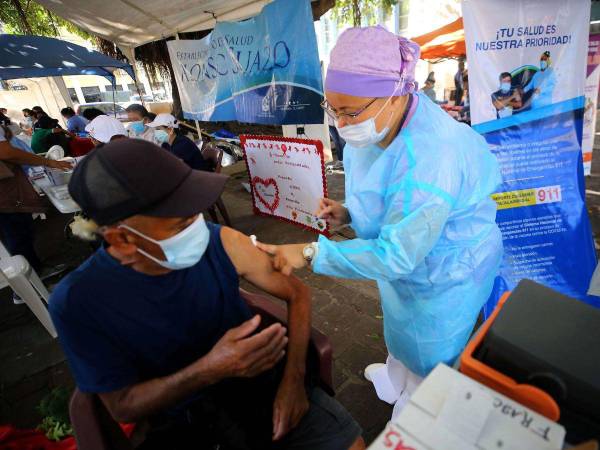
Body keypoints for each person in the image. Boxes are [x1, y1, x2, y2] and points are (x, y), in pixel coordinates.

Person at [50, 139, 365, 450]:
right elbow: (123, 406)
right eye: (181, 222)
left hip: (268, 387)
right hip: (189, 422)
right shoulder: (79, 302)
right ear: (122, 238)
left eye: (196, 212)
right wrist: (211, 368)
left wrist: (294, 380)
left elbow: (297, 294)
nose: (199, 227)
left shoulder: (222, 242)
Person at [255, 26, 503, 418]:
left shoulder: (433, 156)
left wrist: (309, 253)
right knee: (401, 331)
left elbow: (397, 254)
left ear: (396, 93)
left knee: (432, 348)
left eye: (351, 112)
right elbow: (388, 191)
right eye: (332, 109)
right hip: (406, 262)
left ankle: (422, 410)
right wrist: (351, 211)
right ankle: (395, 377)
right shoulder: (384, 124)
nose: (341, 122)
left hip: (446, 270)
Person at [0, 124, 71, 304]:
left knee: (20, 234)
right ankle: (28, 290)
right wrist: (48, 162)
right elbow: (6, 152)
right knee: (18, 235)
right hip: (5, 193)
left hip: (8, 189)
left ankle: (37, 272)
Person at [147, 113, 212, 171]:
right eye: (155, 129)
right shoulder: (166, 144)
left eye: (158, 129)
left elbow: (175, 170)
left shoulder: (182, 145)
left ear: (170, 130)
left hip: (198, 178)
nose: (155, 132)